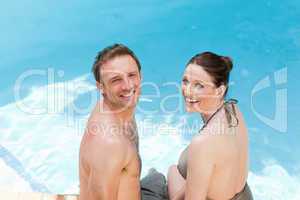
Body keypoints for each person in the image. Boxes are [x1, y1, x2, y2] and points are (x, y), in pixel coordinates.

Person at [79, 44, 168, 200]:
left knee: (161, 178)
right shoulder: (109, 142)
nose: (128, 86)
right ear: (101, 87)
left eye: (132, 75)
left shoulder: (119, 108)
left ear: (141, 76)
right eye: (116, 80)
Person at [167, 52, 253, 200]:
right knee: (173, 171)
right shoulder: (233, 110)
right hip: (244, 196)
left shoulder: (203, 143)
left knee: (159, 176)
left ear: (220, 90)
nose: (187, 91)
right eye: (185, 81)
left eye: (199, 85)